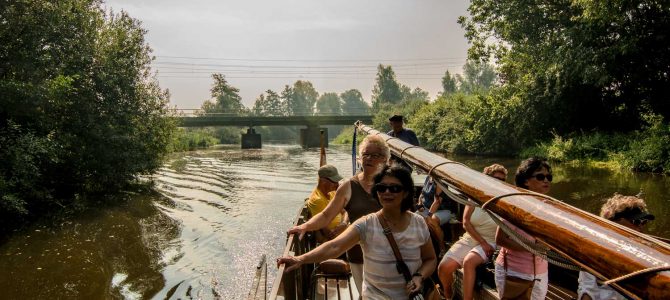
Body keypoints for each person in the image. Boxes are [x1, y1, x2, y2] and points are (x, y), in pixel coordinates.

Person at [278, 165, 437, 299]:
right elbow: (335, 247)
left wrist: (419, 276)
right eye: (382, 188)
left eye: (394, 188)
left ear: (406, 193)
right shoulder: (367, 224)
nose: (387, 192)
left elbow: (430, 259)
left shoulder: (418, 223)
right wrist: (300, 259)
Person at [287, 135, 389, 293]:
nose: (369, 158)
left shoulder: (392, 185)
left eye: (374, 155)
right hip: (358, 255)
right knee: (365, 294)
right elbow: (326, 216)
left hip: (388, 256)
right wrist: (305, 226)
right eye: (365, 154)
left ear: (384, 159)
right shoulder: (348, 186)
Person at [437, 164, 506, 300]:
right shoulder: (475, 197)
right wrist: (481, 242)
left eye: (502, 180)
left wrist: (487, 244)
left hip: (492, 241)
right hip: (471, 238)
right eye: (496, 178)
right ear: (486, 179)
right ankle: (448, 294)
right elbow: (466, 222)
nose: (499, 182)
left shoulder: (505, 201)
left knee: (469, 262)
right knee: (443, 268)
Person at [577, 194, 655, 300]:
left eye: (644, 222)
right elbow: (587, 290)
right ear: (615, 223)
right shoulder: (595, 250)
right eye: (636, 222)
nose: (640, 227)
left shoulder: (647, 254)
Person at [494, 158, 551, 299]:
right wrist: (532, 247)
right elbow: (500, 239)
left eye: (548, 177)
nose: (546, 180)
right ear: (526, 181)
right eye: (540, 176)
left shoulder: (550, 207)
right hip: (513, 273)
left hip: (540, 274)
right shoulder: (515, 205)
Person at [307, 164, 346, 241]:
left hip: (342, 229)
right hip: (333, 238)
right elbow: (326, 231)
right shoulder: (317, 200)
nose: (337, 184)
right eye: (334, 181)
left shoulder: (332, 192)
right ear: (323, 181)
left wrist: (343, 224)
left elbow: (344, 211)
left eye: (337, 181)